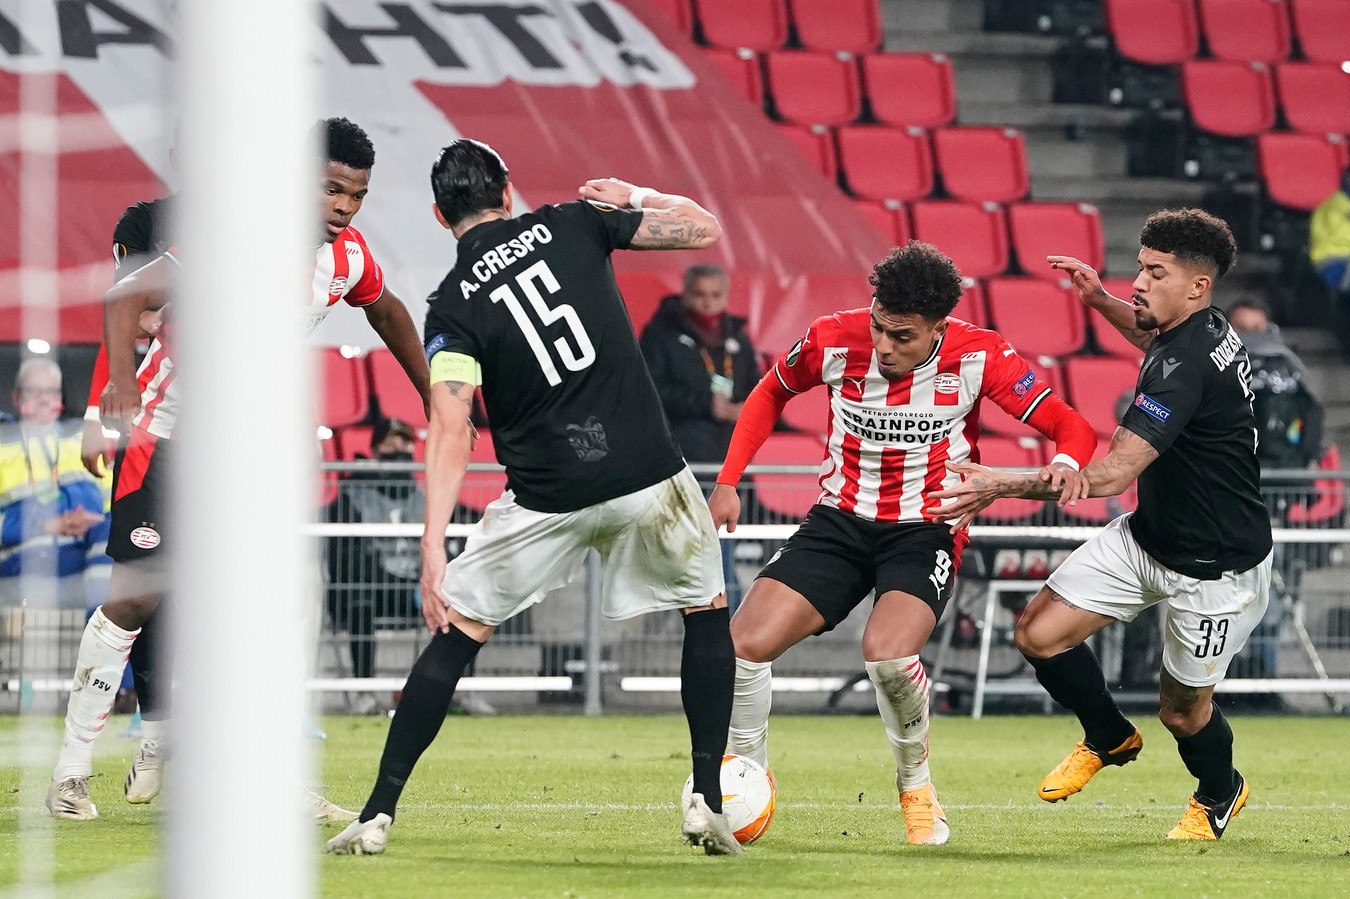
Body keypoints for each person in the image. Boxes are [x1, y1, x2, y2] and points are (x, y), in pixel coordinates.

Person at [325, 140, 741, 857]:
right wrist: (634, 194)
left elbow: (450, 422)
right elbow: (703, 227)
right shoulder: (576, 222)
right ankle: (706, 799)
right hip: (647, 472)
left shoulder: (451, 306)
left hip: (548, 494)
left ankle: (377, 813)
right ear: (507, 192)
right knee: (705, 612)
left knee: (457, 636)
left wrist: (433, 541)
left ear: (439, 215)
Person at [46, 117, 431, 821]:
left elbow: (388, 312)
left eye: (356, 195)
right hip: (164, 438)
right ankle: (71, 772)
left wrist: (433, 392)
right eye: (332, 189)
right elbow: (126, 298)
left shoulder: (347, 257)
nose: (344, 206)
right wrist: (118, 387)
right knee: (135, 600)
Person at [706, 241, 1097, 846]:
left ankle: (916, 786)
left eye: (902, 336)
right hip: (838, 521)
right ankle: (747, 777)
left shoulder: (981, 354)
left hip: (925, 527)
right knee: (743, 646)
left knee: (888, 656)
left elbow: (1069, 425)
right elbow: (769, 392)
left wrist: (1066, 462)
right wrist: (729, 481)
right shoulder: (833, 338)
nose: (884, 346)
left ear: (938, 328)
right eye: (879, 327)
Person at [932, 209, 1273, 841]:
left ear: (1197, 285)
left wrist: (999, 483)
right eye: (1140, 267)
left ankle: (1220, 791)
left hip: (1217, 567)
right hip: (1149, 538)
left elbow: (1112, 475)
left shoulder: (1186, 363)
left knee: (1181, 712)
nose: (1138, 282)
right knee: (1038, 634)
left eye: (1155, 273)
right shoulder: (1204, 328)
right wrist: (1097, 301)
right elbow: (1151, 339)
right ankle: (1110, 734)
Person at [639, 264, 762, 609]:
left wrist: (747, 408)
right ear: (685, 293)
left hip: (728, 463)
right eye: (699, 294)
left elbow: (758, 386)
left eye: (715, 295)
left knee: (717, 549)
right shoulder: (660, 334)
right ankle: (724, 620)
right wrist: (706, 405)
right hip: (683, 463)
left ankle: (723, 620)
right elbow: (648, 390)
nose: (707, 302)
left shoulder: (737, 337)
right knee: (704, 552)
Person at [0, 358, 111, 608]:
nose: (44, 400)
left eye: (52, 392)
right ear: (16, 398)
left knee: (115, 542)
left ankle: (99, 629)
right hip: (22, 558)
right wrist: (46, 524)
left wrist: (96, 521)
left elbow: (114, 508)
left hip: (86, 551)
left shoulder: (85, 443)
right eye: (34, 392)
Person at [324, 418, 423, 686]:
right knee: (359, 596)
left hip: (415, 587)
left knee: (459, 599)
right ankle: (364, 690)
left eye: (405, 442)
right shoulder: (352, 494)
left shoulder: (425, 495)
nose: (399, 449)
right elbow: (346, 558)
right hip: (372, 588)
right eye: (391, 443)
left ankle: (460, 692)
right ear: (375, 449)